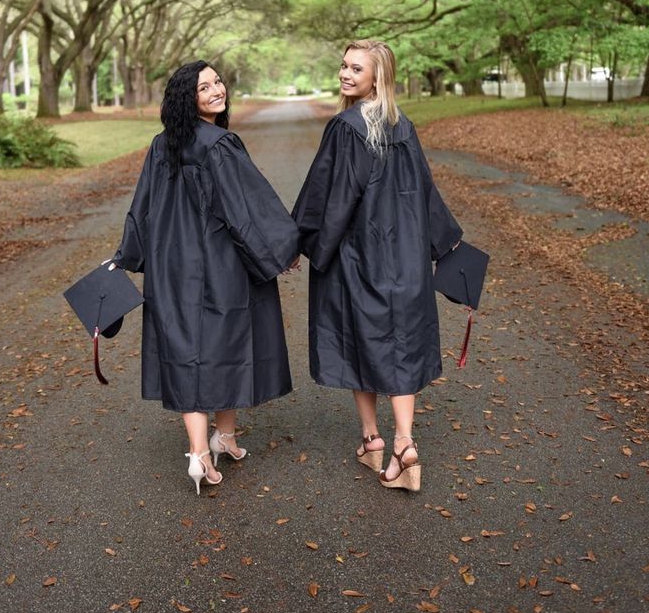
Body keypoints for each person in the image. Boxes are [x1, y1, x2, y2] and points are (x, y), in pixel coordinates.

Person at [111, 61, 300, 494]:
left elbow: (140, 211)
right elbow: (246, 211)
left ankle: (214, 443)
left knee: (185, 349)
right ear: (187, 98)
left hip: (169, 269)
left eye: (217, 82)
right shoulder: (219, 145)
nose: (216, 90)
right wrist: (281, 250)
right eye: (204, 87)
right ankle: (209, 446)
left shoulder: (162, 146)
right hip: (219, 268)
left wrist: (129, 256)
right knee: (226, 347)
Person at [292, 40, 462, 491]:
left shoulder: (347, 127)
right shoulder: (402, 126)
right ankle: (401, 444)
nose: (345, 74)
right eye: (343, 66)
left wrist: (301, 242)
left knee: (356, 340)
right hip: (404, 260)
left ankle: (373, 438)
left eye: (356, 69)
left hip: (358, 258)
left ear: (377, 78)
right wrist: (442, 246)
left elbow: (330, 198)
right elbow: (427, 196)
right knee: (400, 345)